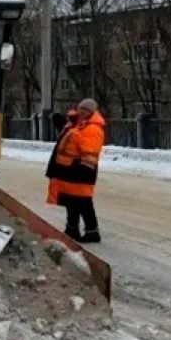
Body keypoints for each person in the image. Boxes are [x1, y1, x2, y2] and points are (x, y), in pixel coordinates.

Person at [45, 98, 105, 243]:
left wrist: (84, 171)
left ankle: (92, 231)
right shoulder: (78, 125)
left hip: (81, 172)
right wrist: (60, 121)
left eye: (85, 110)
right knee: (72, 201)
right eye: (80, 109)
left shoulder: (92, 129)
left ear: (91, 112)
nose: (81, 112)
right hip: (70, 171)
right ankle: (72, 229)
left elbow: (89, 153)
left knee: (84, 202)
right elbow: (69, 136)